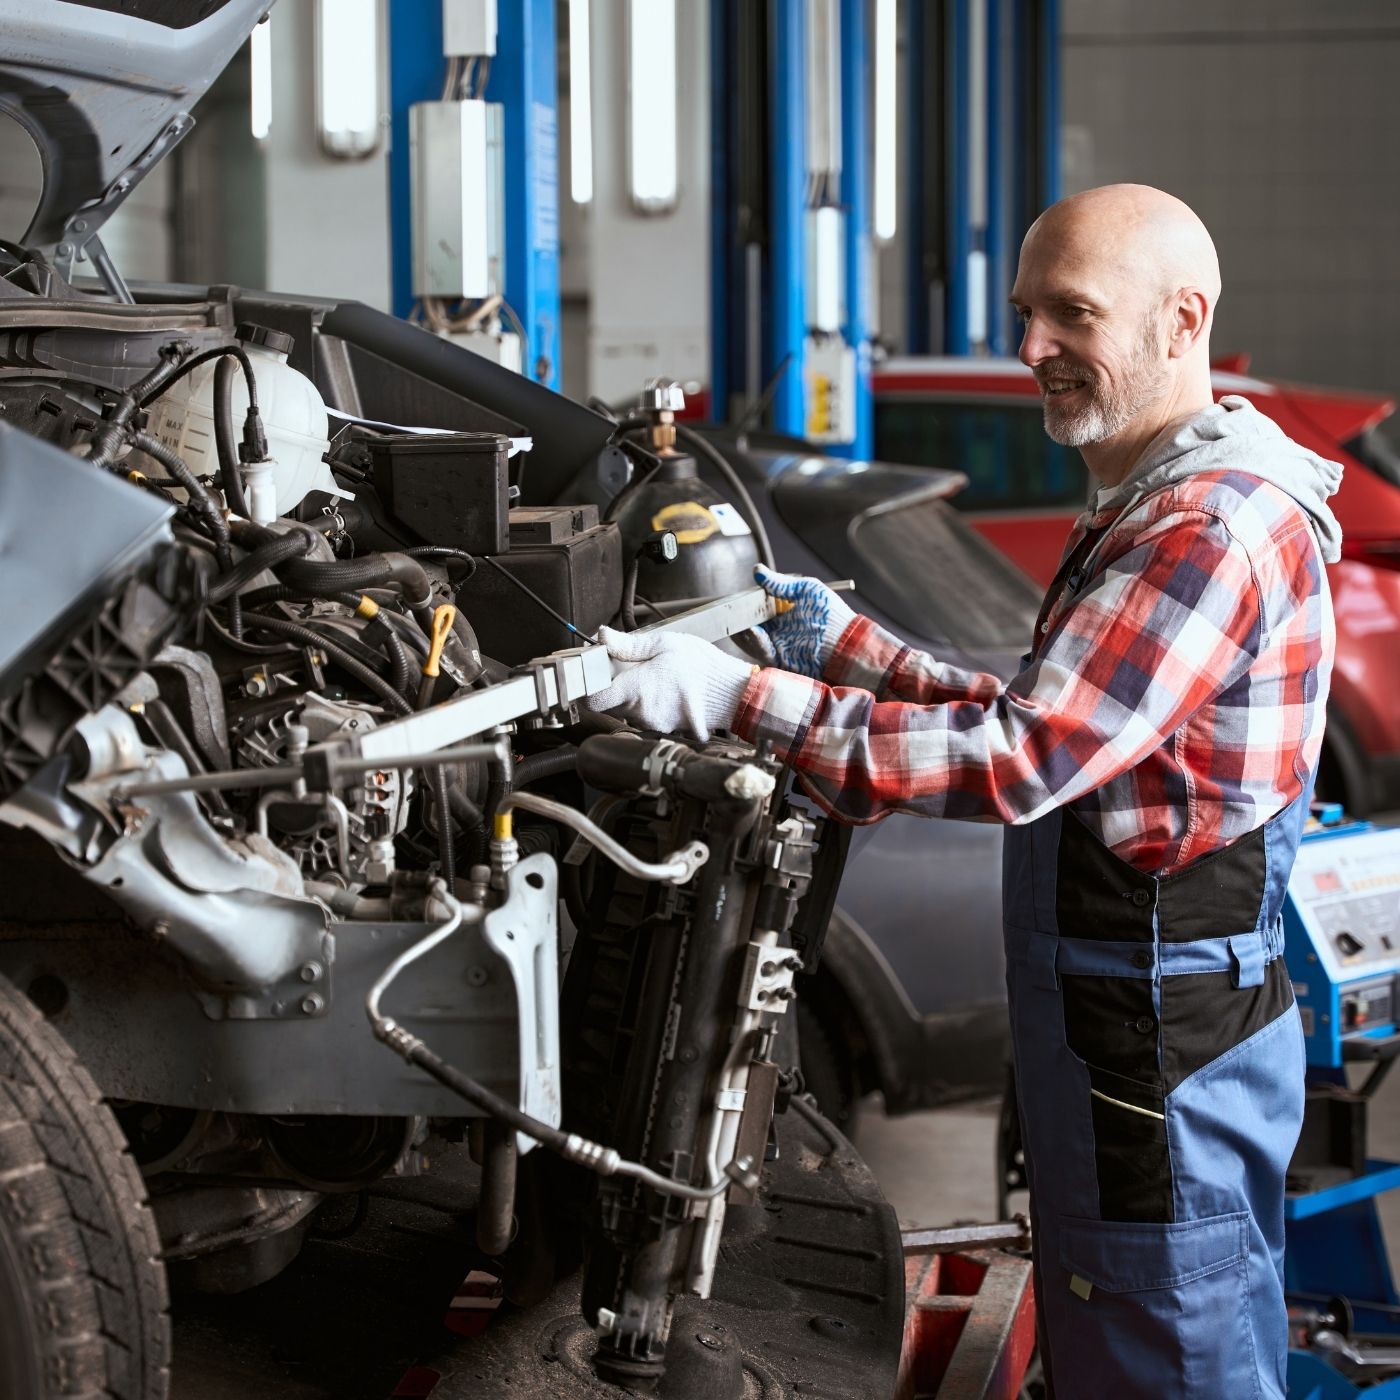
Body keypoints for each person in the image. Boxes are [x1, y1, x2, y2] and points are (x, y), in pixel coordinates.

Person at [588, 183, 1342, 1397]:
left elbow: (1022, 760)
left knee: (1169, 1348)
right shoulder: (1161, 490)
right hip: (1130, 1019)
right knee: (1148, 1323)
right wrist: (829, 633)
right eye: (1024, 311)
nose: (1031, 346)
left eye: (1070, 314)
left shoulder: (1209, 524)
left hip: (1151, 1032)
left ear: (1180, 318)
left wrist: (730, 702)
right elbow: (1055, 721)